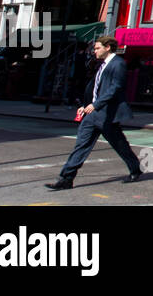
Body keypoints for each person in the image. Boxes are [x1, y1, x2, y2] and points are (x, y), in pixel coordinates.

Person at [46, 36, 142, 190]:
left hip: (107, 114)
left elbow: (115, 88)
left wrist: (96, 104)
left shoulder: (118, 64)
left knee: (119, 144)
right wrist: (86, 106)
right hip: (93, 114)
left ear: (108, 47)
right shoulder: (103, 65)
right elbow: (96, 88)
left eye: (97, 48)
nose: (94, 51)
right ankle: (66, 179)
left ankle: (135, 168)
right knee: (81, 145)